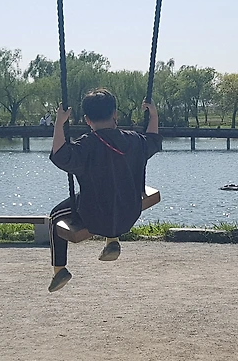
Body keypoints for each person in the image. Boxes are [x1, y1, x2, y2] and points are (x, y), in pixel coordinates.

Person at [47, 89, 162, 292]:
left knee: (55, 216)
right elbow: (153, 140)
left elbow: (59, 155)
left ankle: (59, 269)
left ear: (87, 120)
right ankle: (112, 241)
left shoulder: (86, 145)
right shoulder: (134, 140)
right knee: (115, 186)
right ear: (115, 114)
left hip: (95, 216)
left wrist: (59, 123)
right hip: (129, 212)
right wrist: (153, 115)